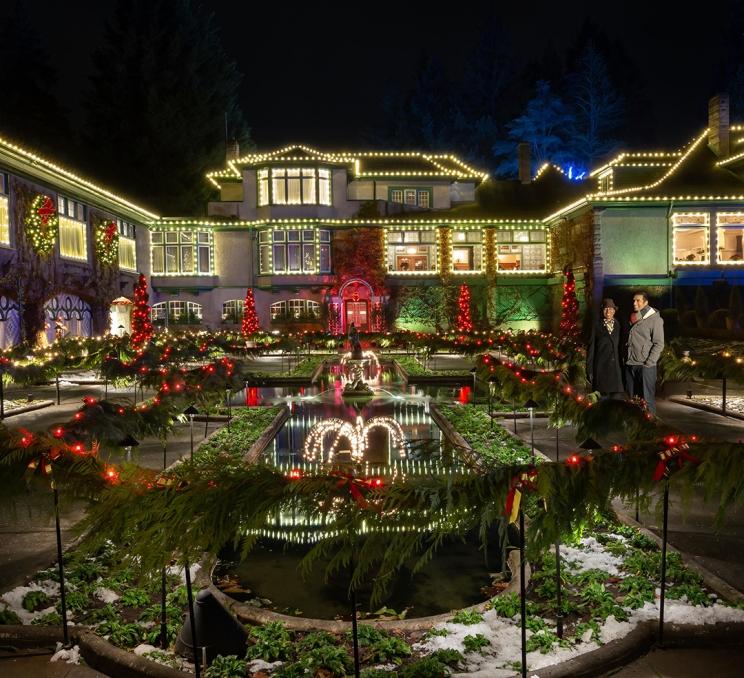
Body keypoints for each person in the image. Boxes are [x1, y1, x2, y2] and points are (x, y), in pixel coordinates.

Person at [625, 291, 664, 414]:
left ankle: (651, 428)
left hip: (645, 366)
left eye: (638, 300)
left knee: (647, 401)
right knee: (633, 400)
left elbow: (659, 343)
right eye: (633, 300)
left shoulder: (655, 320)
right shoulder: (634, 317)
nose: (634, 303)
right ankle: (636, 427)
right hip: (631, 364)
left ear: (646, 302)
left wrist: (649, 362)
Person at [586, 298, 624, 397]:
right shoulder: (596, 326)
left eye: (611, 309)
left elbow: (621, 346)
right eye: (606, 309)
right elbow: (591, 348)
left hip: (615, 369)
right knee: (603, 402)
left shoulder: (619, 325)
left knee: (616, 402)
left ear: (614, 311)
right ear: (602, 310)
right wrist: (589, 369)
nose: (608, 311)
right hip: (601, 369)